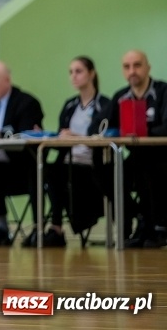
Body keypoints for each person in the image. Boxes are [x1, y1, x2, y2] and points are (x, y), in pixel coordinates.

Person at [22, 56, 108, 248]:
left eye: (78, 71)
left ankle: (57, 227)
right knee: (38, 170)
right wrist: (45, 135)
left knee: (54, 173)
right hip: (67, 160)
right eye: (71, 72)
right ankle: (38, 227)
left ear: (91, 74)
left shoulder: (104, 104)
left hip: (90, 163)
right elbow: (61, 136)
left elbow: (103, 137)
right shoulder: (70, 105)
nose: (73, 76)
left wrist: (77, 136)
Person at [0, 61, 44, 246]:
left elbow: (26, 135)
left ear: (7, 80)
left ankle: (33, 229)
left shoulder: (27, 103)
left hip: (18, 167)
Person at [103, 50, 167, 248]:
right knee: (104, 172)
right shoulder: (121, 97)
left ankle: (156, 226)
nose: (132, 71)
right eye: (127, 67)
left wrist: (142, 132)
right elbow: (101, 126)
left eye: (137, 65)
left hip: (161, 155)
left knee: (147, 167)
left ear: (148, 67)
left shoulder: (163, 91)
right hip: (136, 156)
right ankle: (136, 215)